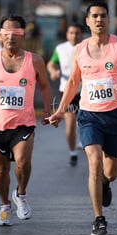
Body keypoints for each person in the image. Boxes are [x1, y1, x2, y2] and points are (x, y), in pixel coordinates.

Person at [48, 2, 117, 235]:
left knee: (110, 172)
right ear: (88, 22)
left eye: (103, 16)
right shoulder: (79, 49)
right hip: (89, 115)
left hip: (115, 115)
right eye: (95, 16)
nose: (99, 19)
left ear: (108, 20)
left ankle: (106, 183)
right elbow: (72, 83)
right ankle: (98, 219)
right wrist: (61, 110)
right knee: (93, 163)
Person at [0, 15, 52, 226]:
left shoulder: (34, 60)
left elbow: (44, 85)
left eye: (15, 34)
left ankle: (21, 194)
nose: (10, 37)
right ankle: (4, 206)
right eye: (6, 33)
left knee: (23, 162)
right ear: (0, 35)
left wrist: (47, 110)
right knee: (0, 171)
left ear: (22, 35)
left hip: (24, 123)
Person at [47, 23, 84, 166]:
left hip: (86, 90)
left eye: (77, 33)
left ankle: (84, 140)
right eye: (71, 32)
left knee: (85, 122)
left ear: (81, 35)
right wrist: (52, 72)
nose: (74, 35)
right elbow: (51, 64)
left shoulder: (87, 47)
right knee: (70, 125)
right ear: (67, 34)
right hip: (68, 91)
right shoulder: (60, 49)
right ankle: (73, 152)